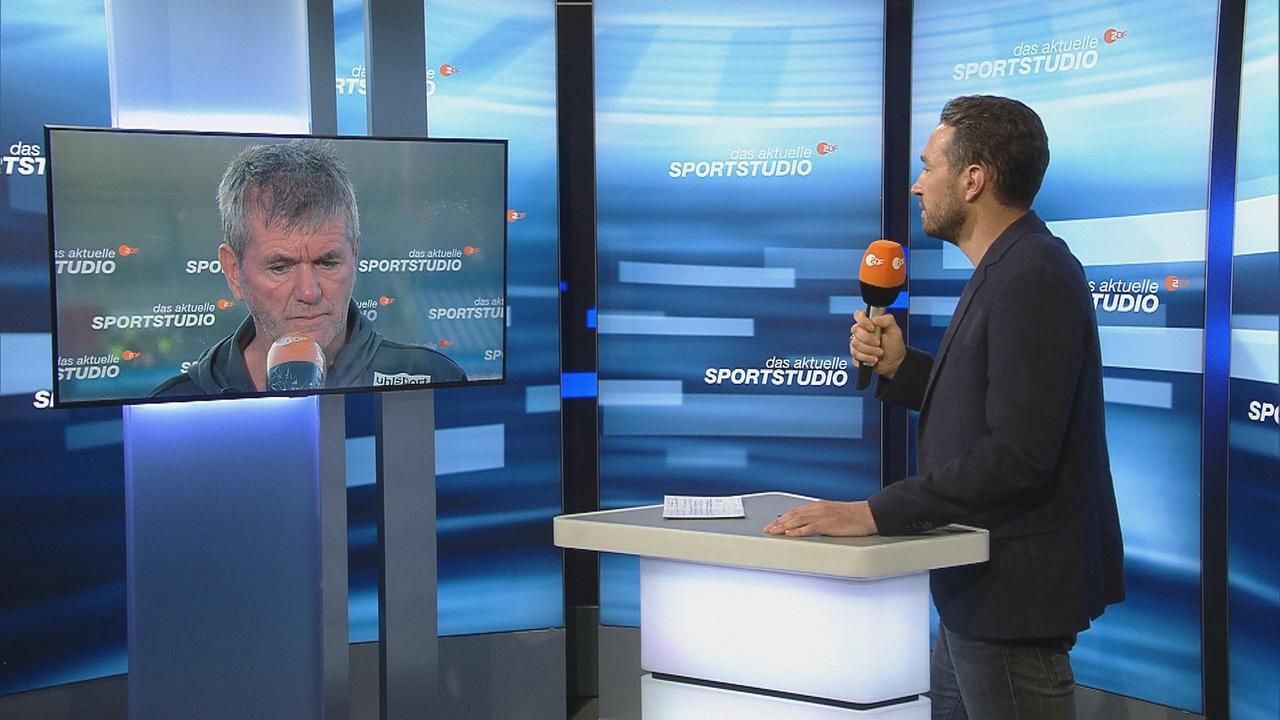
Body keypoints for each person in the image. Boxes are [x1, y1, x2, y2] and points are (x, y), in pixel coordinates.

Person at [765, 95, 1125, 719]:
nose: (917, 184)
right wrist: (901, 367)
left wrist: (875, 513)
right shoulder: (1009, 266)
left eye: (929, 167)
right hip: (974, 589)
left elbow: (1018, 454)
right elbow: (990, 403)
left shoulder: (1034, 274)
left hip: (1013, 595)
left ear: (973, 179)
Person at [151, 140, 465, 397]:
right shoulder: (171, 408)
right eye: (280, 267)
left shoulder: (436, 380)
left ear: (354, 256)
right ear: (234, 272)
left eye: (327, 262)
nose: (309, 292)